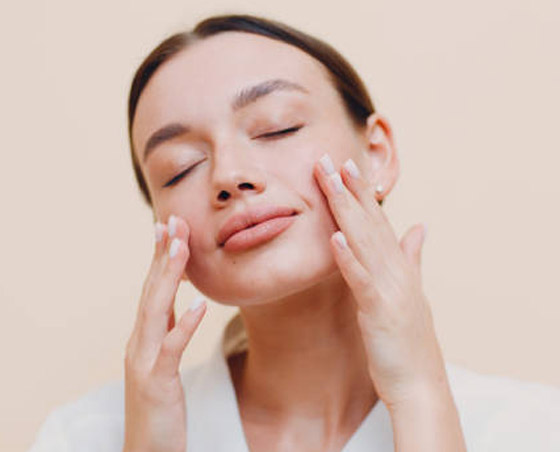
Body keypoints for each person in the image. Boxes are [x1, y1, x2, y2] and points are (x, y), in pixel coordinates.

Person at [29, 13, 560, 452]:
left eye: (276, 126)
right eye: (179, 168)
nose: (229, 175)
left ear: (377, 154)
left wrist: (421, 397)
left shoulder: (535, 429)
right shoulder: (83, 437)